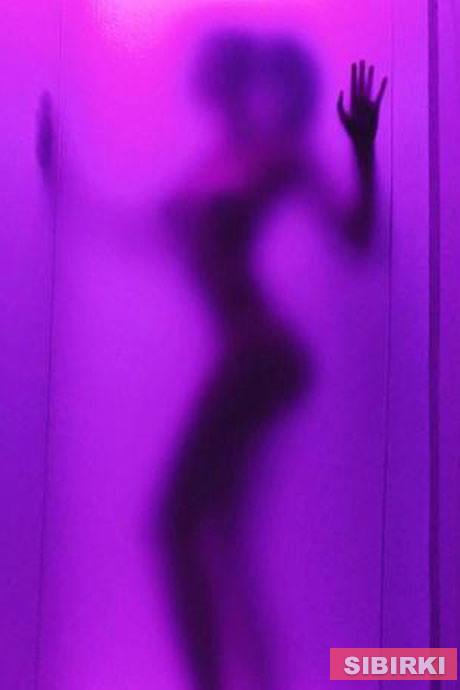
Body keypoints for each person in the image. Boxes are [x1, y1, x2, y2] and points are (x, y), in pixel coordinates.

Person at [159, 29, 387, 690]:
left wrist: (363, 149)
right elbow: (144, 226)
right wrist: (66, 183)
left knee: (175, 521)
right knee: (218, 534)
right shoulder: (212, 166)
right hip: (246, 357)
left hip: (261, 356)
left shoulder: (278, 157)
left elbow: (356, 236)